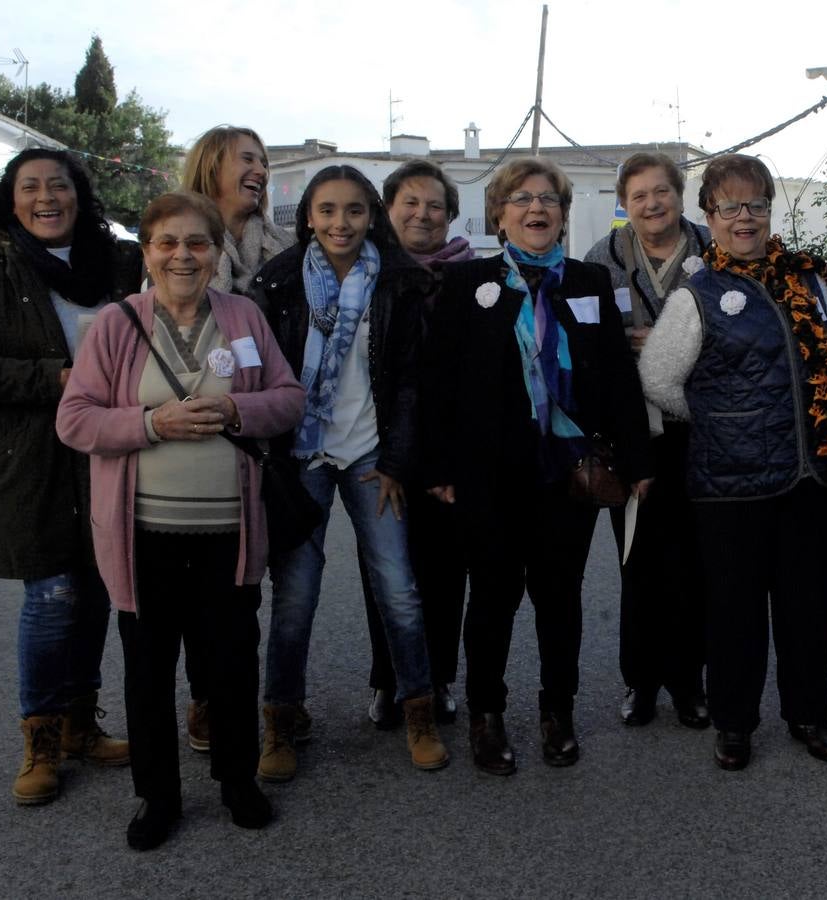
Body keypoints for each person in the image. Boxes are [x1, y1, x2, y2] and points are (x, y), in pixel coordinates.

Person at [55, 191, 304, 850]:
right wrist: (149, 423)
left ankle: (236, 781)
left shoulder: (245, 317)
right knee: (147, 670)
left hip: (231, 534)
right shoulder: (115, 325)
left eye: (197, 242)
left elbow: (288, 399)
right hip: (142, 538)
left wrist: (235, 413)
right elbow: (74, 418)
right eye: (167, 242)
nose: (183, 255)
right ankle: (157, 796)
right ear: (147, 251)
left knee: (229, 665)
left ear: (216, 252)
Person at [423, 157, 653, 775]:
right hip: (487, 473)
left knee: (560, 598)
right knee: (492, 596)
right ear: (499, 213)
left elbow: (615, 379)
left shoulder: (587, 282)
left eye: (548, 198)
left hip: (568, 469)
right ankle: (486, 715)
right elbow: (440, 382)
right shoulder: (468, 283)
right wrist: (439, 466)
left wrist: (637, 460)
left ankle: (558, 712)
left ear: (562, 212)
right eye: (521, 198)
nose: (536, 209)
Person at [638, 153, 827, 771]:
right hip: (731, 482)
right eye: (730, 206)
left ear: (770, 210)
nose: (745, 217)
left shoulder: (806, 280)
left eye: (756, 205)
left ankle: (808, 716)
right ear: (708, 217)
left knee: (808, 603)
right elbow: (658, 379)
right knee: (734, 609)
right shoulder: (698, 293)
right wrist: (718, 418)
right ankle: (735, 724)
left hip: (813, 474)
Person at [0, 148, 140, 806]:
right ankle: (40, 738)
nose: (45, 197)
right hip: (25, 457)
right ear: (12, 198)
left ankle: (82, 726)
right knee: (52, 593)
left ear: (79, 196)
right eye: (30, 187)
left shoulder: (112, 263)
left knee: (95, 588)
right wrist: (51, 380)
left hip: (105, 452)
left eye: (59, 185)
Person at [251, 165, 448, 782]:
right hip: (300, 456)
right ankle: (281, 719)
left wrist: (396, 462)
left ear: (372, 216)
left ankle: (419, 713)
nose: (342, 223)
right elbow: (258, 375)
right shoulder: (277, 281)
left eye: (355, 211)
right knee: (295, 598)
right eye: (329, 210)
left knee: (399, 589)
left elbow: (412, 385)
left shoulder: (400, 281)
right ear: (308, 215)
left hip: (370, 455)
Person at [583, 152, 711, 729]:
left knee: (695, 564)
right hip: (634, 433)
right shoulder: (602, 260)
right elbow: (584, 341)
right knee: (637, 562)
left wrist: (662, 343)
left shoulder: (715, 249)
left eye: (662, 192)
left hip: (705, 430)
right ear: (623, 204)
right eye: (638, 196)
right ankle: (641, 683)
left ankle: (690, 683)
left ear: (680, 196)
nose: (652, 204)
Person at [180, 124, 297, 751]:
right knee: (208, 586)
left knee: (251, 586)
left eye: (263, 160)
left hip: (268, 432)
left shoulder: (280, 247)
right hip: (199, 438)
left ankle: (262, 703)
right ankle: (206, 700)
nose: (258, 168)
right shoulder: (182, 242)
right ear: (211, 166)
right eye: (245, 159)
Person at [361, 160, 476, 729]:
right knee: (385, 570)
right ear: (389, 210)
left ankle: (436, 679)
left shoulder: (473, 278)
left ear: (451, 216)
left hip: (449, 449)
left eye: (435, 205)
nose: (422, 214)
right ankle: (390, 680)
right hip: (381, 448)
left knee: (444, 570)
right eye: (410, 202)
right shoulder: (369, 273)